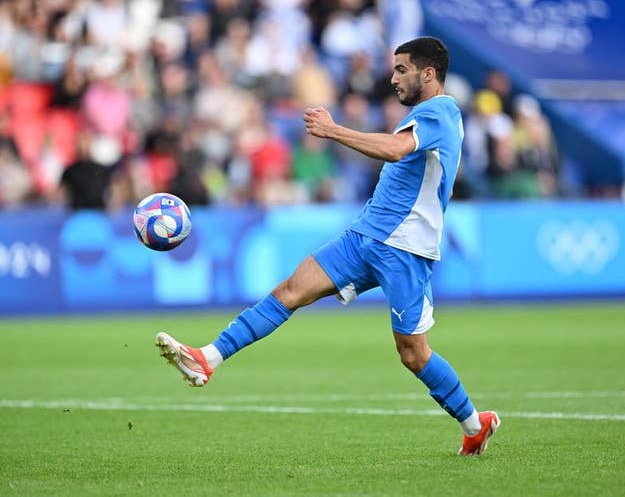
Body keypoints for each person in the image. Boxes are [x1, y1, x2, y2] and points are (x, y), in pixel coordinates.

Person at [155, 37, 500, 456]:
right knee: (290, 291)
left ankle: (472, 424)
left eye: (402, 70)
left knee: (413, 354)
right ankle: (208, 358)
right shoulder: (423, 114)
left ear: (429, 74)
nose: (392, 79)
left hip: (405, 248)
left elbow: (394, 151)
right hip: (365, 235)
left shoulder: (440, 111)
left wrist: (333, 130)